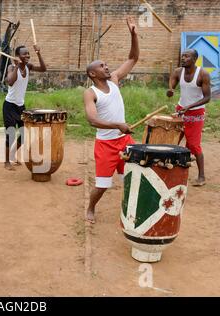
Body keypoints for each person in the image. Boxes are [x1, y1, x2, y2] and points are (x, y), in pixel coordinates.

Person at [83, 17, 139, 224]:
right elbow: (92, 120)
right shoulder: (90, 93)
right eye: (102, 66)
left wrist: (133, 34)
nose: (107, 68)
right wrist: (117, 125)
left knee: (132, 177)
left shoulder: (114, 80)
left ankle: (130, 209)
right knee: (102, 185)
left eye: (106, 65)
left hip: (124, 142)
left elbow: (133, 58)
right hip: (106, 145)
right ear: (92, 73)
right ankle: (90, 208)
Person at [167, 49, 211, 186]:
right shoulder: (177, 71)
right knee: (173, 140)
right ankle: (171, 171)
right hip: (181, 110)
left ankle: (201, 176)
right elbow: (171, 86)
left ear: (194, 59)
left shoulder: (203, 74)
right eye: (183, 56)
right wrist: (170, 91)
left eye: (187, 56)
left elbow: (208, 97)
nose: (183, 58)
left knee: (193, 144)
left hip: (196, 113)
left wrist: (190, 107)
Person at [3, 45, 47, 170]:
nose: (27, 56)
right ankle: (6, 162)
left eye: (28, 53)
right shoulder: (11, 67)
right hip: (9, 106)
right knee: (10, 134)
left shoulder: (28, 67)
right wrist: (17, 65)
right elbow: (10, 81)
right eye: (24, 54)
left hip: (21, 106)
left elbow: (43, 69)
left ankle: (12, 154)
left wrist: (38, 53)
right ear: (18, 56)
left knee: (24, 133)